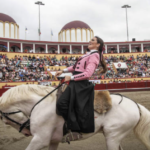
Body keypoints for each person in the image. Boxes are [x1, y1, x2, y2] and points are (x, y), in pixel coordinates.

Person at [55, 36, 107, 141]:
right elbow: (75, 68)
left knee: (62, 103)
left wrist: (72, 77)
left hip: (80, 83)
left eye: (93, 40)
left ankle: (75, 130)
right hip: (76, 81)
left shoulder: (95, 55)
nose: (90, 41)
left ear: (98, 45)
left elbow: (87, 74)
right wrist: (63, 71)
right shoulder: (88, 54)